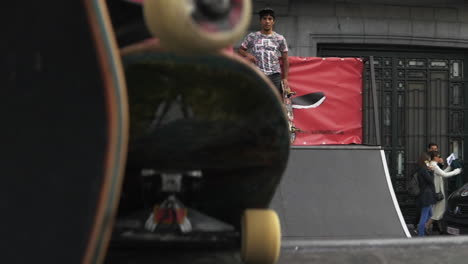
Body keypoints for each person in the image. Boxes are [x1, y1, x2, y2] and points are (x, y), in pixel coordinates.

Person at [238, 7, 289, 94]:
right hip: (257, 75)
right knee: (258, 100)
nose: (267, 21)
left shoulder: (280, 38)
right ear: (260, 21)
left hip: (274, 76)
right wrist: (247, 55)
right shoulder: (252, 36)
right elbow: (240, 50)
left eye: (270, 19)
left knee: (273, 102)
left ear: (273, 21)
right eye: (264, 18)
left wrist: (285, 78)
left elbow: (285, 59)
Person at [425, 151, 461, 233]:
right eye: (438, 156)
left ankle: (440, 229)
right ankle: (426, 226)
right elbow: (444, 175)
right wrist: (457, 171)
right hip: (438, 192)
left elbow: (442, 173)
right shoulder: (434, 165)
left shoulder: (432, 164)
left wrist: (450, 167)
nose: (440, 158)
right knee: (439, 211)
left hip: (436, 190)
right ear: (434, 157)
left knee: (437, 210)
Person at [416, 152, 436, 237]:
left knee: (430, 215)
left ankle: (424, 230)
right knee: (424, 215)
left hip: (427, 194)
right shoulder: (424, 170)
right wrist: (431, 171)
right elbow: (430, 180)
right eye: (428, 160)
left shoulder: (422, 169)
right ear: (425, 161)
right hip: (426, 195)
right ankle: (421, 234)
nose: (429, 162)